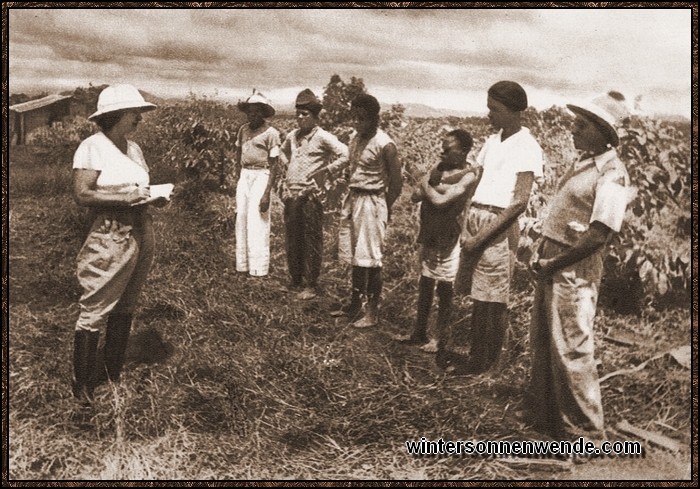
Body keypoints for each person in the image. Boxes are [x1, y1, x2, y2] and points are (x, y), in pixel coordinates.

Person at [527, 91, 633, 439]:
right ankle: (548, 421)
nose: (573, 129)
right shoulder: (585, 163)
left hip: (575, 268)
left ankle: (586, 433)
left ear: (602, 132)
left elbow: (598, 235)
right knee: (545, 340)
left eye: (581, 125)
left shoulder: (613, 174)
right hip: (555, 261)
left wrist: (554, 262)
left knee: (572, 348)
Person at [71, 84, 168, 402]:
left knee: (127, 303)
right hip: (110, 232)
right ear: (115, 115)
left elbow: (140, 187)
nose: (139, 118)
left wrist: (154, 197)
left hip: (141, 229)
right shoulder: (92, 147)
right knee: (96, 306)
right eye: (134, 112)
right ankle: (83, 385)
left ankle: (111, 373)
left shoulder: (134, 148)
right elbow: (83, 193)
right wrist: (124, 198)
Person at [447, 81, 544, 374]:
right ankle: (476, 358)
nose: (489, 115)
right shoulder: (491, 142)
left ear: (515, 112)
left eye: (495, 110)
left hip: (498, 226)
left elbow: (518, 203)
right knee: (479, 295)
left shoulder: (528, 147)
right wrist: (465, 228)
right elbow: (475, 184)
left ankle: (493, 365)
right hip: (476, 218)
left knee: (495, 298)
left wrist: (480, 238)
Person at [395, 129, 481, 353]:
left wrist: (426, 184)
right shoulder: (440, 168)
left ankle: (440, 337)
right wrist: (431, 187)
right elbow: (415, 196)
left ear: (463, 152)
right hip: (430, 232)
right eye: (442, 148)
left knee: (445, 288)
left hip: (450, 236)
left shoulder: (468, 174)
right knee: (425, 283)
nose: (442, 152)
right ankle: (419, 332)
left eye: (448, 149)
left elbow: (441, 201)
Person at [325, 94, 402, 328]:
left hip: (372, 202)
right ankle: (355, 304)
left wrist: (382, 208)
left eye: (363, 119)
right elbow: (351, 166)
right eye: (355, 118)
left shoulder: (385, 144)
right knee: (356, 258)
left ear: (375, 119)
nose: (357, 123)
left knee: (371, 259)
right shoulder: (354, 139)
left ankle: (372, 312)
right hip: (354, 198)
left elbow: (397, 183)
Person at [280, 89, 348, 300]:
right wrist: (286, 165)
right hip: (292, 193)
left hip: (311, 195)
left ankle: (311, 284)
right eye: (298, 114)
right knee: (293, 238)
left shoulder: (323, 137)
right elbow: (282, 151)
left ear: (315, 116)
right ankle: (295, 280)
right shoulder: (292, 136)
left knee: (311, 238)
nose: (300, 118)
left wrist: (327, 171)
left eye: (305, 114)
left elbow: (345, 154)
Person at [234, 90, 281, 277]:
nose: (252, 115)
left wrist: (267, 192)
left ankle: (258, 269)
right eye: (250, 112)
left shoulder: (271, 133)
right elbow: (238, 154)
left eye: (256, 112)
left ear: (262, 113)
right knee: (242, 218)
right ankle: (242, 265)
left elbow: (275, 163)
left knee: (258, 220)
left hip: (262, 174)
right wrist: (239, 177)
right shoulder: (243, 130)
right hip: (245, 175)